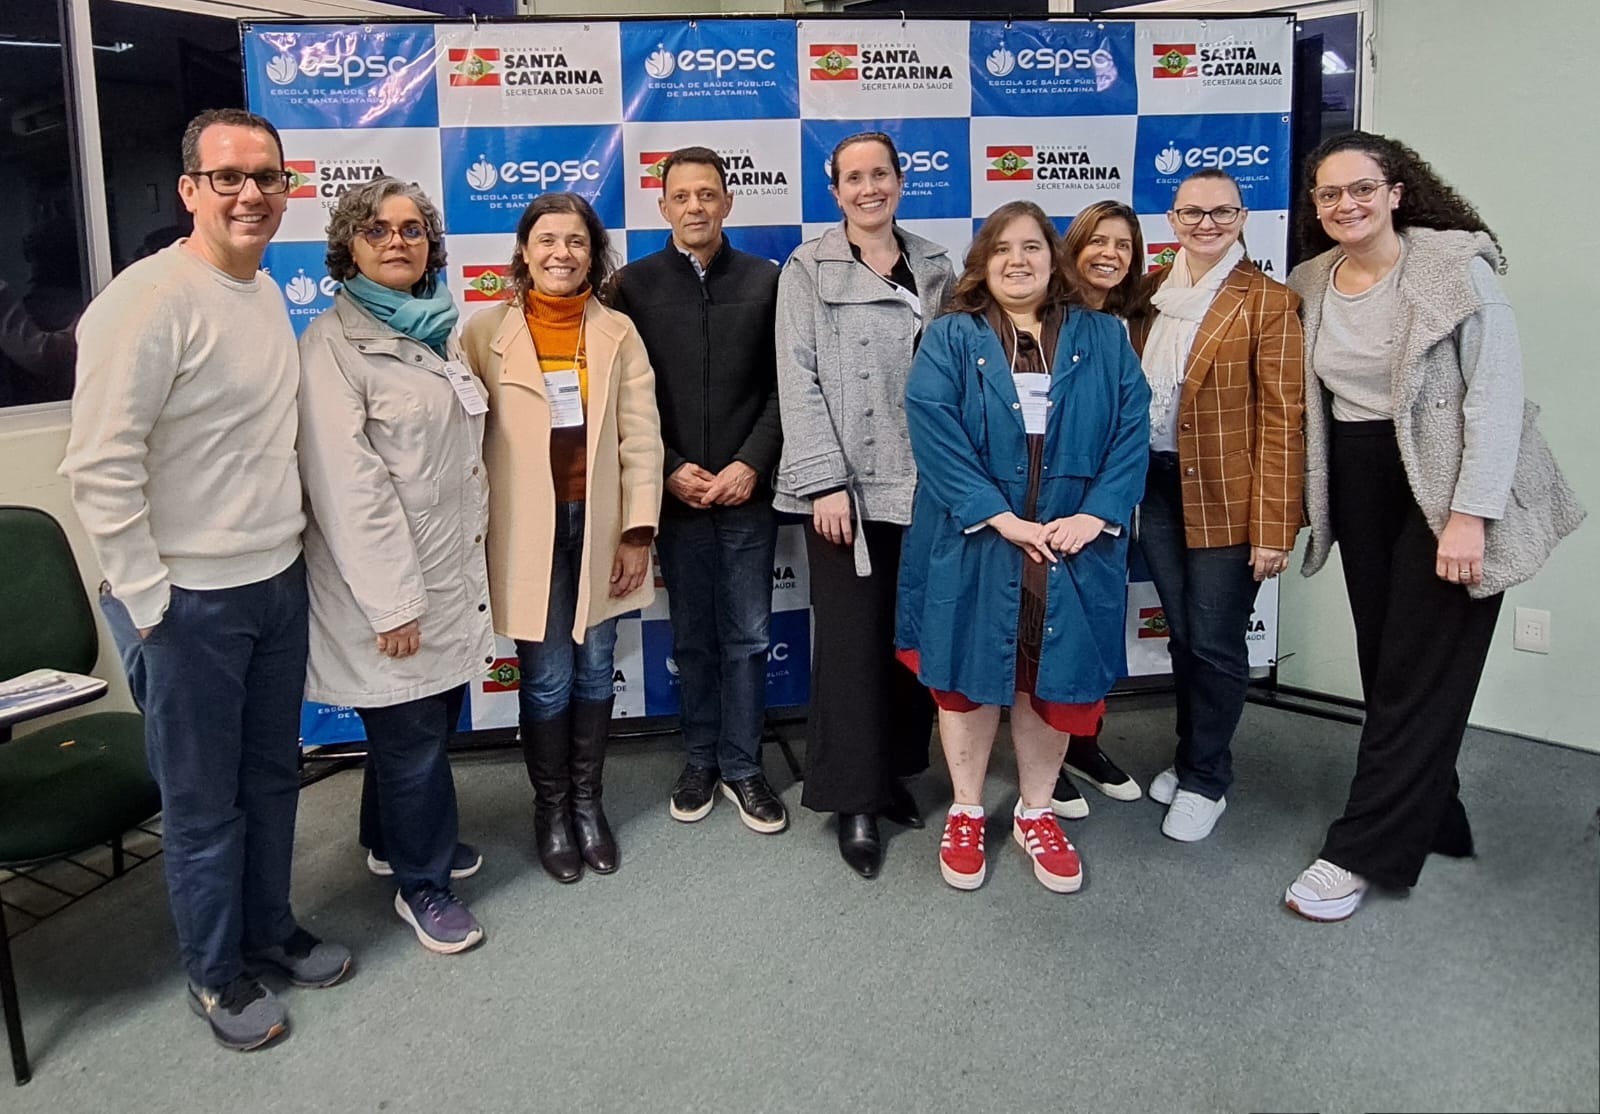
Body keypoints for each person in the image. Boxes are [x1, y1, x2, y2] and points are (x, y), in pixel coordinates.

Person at [60, 108, 351, 1052]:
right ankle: (217, 974)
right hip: (185, 605)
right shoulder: (147, 300)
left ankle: (269, 931)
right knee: (201, 805)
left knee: (271, 780)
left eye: (266, 176)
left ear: (287, 188)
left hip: (273, 582)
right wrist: (150, 603)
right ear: (190, 189)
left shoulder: (261, 293)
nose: (249, 194)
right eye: (228, 177)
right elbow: (99, 466)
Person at [1283, 131, 1582, 921]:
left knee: (1419, 669)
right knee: (1389, 662)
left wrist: (1469, 517)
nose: (1346, 204)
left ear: (1396, 191)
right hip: (1360, 477)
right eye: (1328, 193)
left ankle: (1361, 851)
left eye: (1362, 188)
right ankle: (1435, 814)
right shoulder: (1312, 279)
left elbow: (1495, 398)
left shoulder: (1455, 267)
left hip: (1447, 484)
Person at [896, 200, 1150, 892]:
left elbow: (1132, 430)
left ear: (1053, 258)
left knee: (1051, 679)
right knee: (967, 677)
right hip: (975, 540)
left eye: (1032, 246)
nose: (1018, 260)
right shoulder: (949, 337)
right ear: (982, 263)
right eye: (1002, 248)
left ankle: (1037, 811)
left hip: (1072, 544)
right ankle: (967, 808)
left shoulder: (1104, 336)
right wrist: (999, 517)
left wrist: (1097, 514)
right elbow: (934, 433)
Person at [297, 177, 491, 954]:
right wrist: (393, 604)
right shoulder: (332, 347)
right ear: (349, 247)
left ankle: (387, 840)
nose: (397, 241)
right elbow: (350, 491)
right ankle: (424, 885)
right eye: (377, 229)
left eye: (412, 229)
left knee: (422, 722)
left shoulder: (437, 327)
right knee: (412, 739)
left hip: (445, 569)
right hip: (389, 584)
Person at [462, 192, 663, 883]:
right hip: (527, 530)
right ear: (524, 252)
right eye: (547, 240)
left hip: (600, 523)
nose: (561, 253)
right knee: (546, 677)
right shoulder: (484, 332)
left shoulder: (618, 332)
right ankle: (551, 810)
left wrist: (637, 532)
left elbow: (642, 439)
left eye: (576, 241)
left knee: (596, 663)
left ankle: (587, 803)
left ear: (593, 253)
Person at [774, 131, 954, 879]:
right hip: (844, 490)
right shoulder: (808, 268)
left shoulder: (937, 264)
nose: (868, 188)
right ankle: (853, 799)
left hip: (929, 484)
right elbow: (797, 377)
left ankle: (893, 776)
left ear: (900, 182)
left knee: (911, 643)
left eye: (880, 174)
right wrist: (822, 481)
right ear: (836, 190)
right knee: (851, 648)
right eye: (854, 178)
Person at [606, 147, 788, 834]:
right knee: (692, 639)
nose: (695, 207)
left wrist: (751, 463)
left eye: (707, 194)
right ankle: (700, 760)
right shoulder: (632, 286)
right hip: (675, 496)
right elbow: (624, 399)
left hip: (748, 493)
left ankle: (743, 766)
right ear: (662, 207)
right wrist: (669, 466)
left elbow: (787, 386)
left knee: (749, 636)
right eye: (681, 196)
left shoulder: (767, 279)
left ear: (728, 202)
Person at [1131, 169, 1306, 843]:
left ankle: (1207, 778)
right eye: (1192, 213)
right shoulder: (1151, 294)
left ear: (1242, 218)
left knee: (1214, 639)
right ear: (1172, 220)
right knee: (1185, 636)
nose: (1207, 224)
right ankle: (1191, 758)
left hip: (1229, 498)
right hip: (1157, 487)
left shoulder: (1269, 302)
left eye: (1222, 212)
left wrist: (1274, 528)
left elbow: (1283, 421)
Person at [1044, 199, 1152, 819]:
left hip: (1109, 507)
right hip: (1051, 506)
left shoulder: (1134, 321)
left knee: (1095, 629)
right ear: (1074, 247)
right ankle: (1045, 759)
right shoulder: (1042, 319)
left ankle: (1083, 744)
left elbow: (1133, 426)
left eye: (1124, 245)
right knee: (1047, 636)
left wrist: (1104, 507)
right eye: (1099, 241)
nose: (1110, 254)